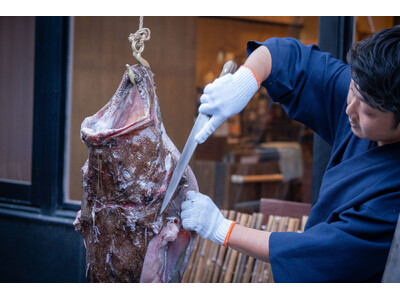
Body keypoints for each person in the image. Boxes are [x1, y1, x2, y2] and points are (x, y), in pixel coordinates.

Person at [180, 25, 400, 282]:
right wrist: (247, 80)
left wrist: (220, 229)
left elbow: (320, 252)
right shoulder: (366, 89)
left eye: (369, 113)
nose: (350, 109)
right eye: (351, 91)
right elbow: (287, 57)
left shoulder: (392, 197)